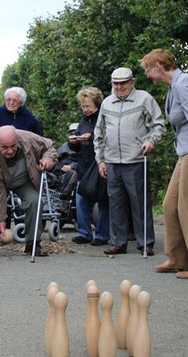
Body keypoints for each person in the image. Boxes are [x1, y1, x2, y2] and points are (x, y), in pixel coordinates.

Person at [141, 48, 188, 280]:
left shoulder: (184, 84)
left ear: (158, 66)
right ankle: (177, 258)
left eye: (148, 70)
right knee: (170, 204)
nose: (148, 75)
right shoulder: (175, 86)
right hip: (186, 151)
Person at [94, 67, 166, 255]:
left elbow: (159, 124)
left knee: (140, 203)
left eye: (123, 83)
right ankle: (118, 242)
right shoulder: (107, 103)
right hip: (111, 161)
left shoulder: (144, 99)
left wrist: (151, 140)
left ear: (132, 82)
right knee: (115, 203)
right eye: (116, 84)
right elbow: (99, 133)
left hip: (136, 160)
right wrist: (100, 160)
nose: (119, 87)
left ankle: (145, 243)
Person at [0, 125, 57, 258]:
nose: (10, 151)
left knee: (34, 200)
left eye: (13, 146)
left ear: (17, 139)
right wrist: (1, 221)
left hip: (23, 179)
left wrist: (49, 158)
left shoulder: (28, 138)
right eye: (5, 147)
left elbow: (49, 145)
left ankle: (32, 244)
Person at [69, 86, 110, 246]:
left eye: (88, 106)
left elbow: (106, 137)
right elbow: (77, 147)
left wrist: (91, 137)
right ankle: (85, 232)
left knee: (103, 201)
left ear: (97, 104)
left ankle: (102, 234)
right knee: (80, 200)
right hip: (84, 166)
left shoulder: (104, 118)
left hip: (99, 164)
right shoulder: (82, 121)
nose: (85, 109)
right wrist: (73, 142)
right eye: (83, 106)